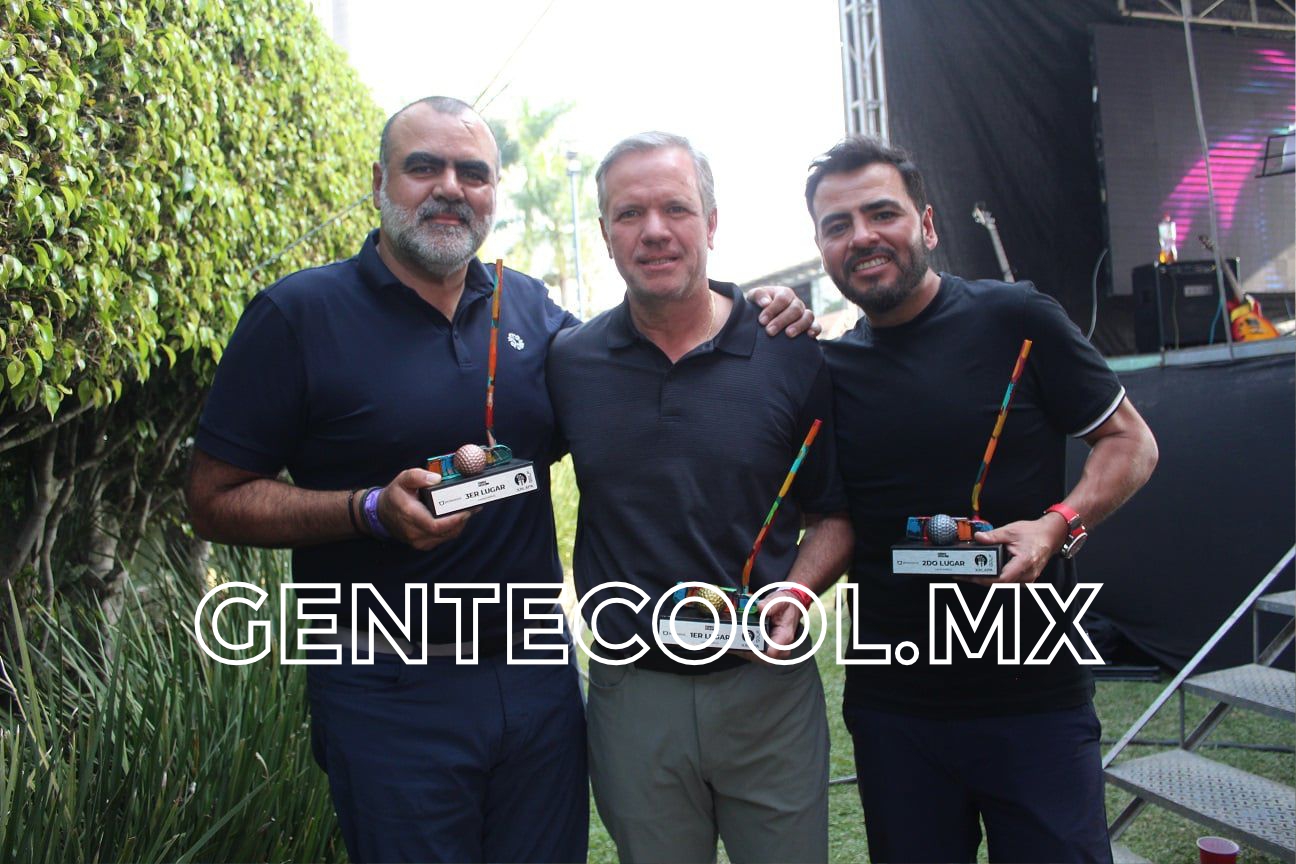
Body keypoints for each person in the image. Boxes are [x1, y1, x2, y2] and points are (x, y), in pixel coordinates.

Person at [184, 97, 812, 864]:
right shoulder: (298, 314)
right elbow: (212, 500)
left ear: (493, 193)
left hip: (536, 676)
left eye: (473, 173)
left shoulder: (533, 311)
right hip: (387, 683)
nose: (450, 187)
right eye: (424, 167)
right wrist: (366, 509)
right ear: (379, 181)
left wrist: (754, 308)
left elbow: (651, 351)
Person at [807, 135, 1159, 864]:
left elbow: (1131, 442)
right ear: (822, 248)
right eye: (838, 225)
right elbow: (836, 519)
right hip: (891, 709)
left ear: (928, 225)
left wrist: (1058, 525)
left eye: (881, 213)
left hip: (1034, 698)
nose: (862, 236)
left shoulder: (1016, 318)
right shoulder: (828, 367)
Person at [546, 132, 854, 864]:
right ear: (605, 234)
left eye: (676, 209)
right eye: (630, 214)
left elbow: (836, 515)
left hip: (765, 688)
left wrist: (795, 596)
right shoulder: (570, 362)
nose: (654, 230)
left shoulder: (790, 350)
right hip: (633, 695)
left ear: (711, 223)